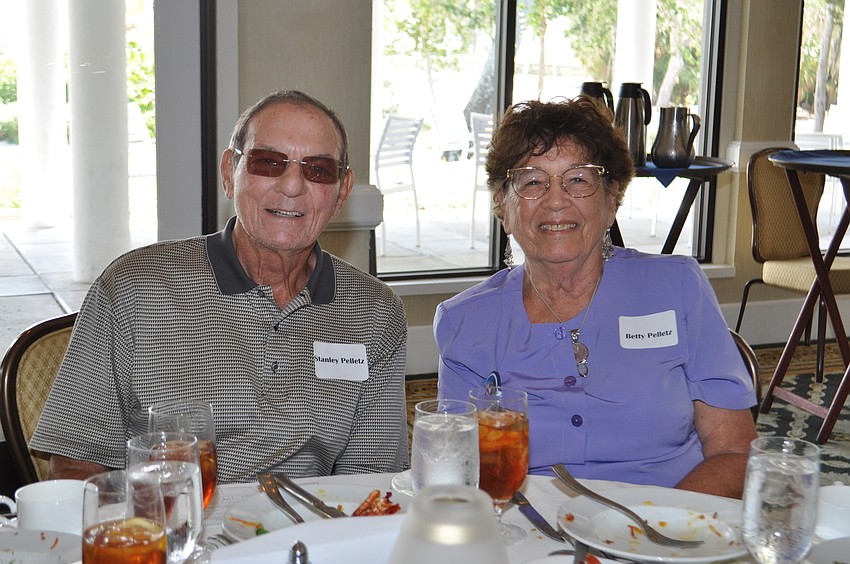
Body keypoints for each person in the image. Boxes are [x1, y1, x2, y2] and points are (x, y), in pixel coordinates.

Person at [30, 90, 409, 483]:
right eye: (268, 162)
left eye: (318, 170)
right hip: (172, 530)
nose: (292, 185)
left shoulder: (375, 311)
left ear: (341, 191)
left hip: (310, 531)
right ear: (230, 173)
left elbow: (373, 475)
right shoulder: (134, 288)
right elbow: (77, 467)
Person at [435, 96, 757, 499]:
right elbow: (455, 471)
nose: (556, 199)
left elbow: (734, 452)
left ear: (611, 199)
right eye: (532, 181)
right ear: (503, 203)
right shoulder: (464, 321)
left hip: (669, 527)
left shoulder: (676, 288)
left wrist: (658, 531)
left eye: (578, 179)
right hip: (528, 529)